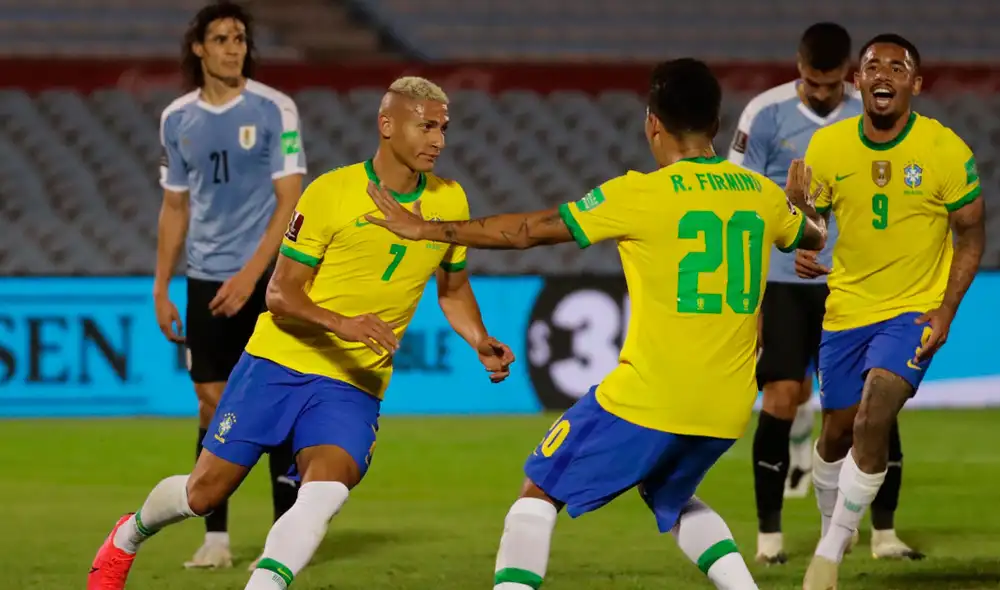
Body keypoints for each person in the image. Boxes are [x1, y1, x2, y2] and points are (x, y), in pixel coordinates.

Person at [365, 58, 828, 590]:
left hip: (651, 396)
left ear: (652, 123)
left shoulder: (639, 194)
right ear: (716, 124)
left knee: (538, 493)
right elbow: (812, 234)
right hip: (726, 406)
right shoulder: (760, 194)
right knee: (670, 494)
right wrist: (804, 206)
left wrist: (425, 228)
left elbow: (528, 230)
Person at [88, 76, 516, 590]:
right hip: (278, 362)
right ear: (386, 125)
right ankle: (127, 535)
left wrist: (479, 338)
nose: (438, 140)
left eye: (444, 128)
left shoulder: (451, 200)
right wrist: (345, 324)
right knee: (203, 494)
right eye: (426, 127)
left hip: (353, 382)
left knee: (325, 491)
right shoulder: (331, 193)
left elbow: (453, 287)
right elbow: (280, 294)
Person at [798, 34, 984, 589]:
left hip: (912, 312)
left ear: (915, 83)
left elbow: (971, 236)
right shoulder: (827, 148)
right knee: (835, 435)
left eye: (897, 67)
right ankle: (833, 528)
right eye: (873, 65)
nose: (883, 73)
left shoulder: (945, 150)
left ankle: (828, 554)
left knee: (873, 416)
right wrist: (803, 233)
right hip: (846, 311)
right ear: (857, 80)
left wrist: (945, 311)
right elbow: (814, 228)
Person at [729, 22, 919, 563]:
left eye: (831, 84)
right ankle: (769, 538)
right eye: (812, 82)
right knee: (781, 396)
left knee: (878, 399)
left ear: (848, 76)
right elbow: (741, 203)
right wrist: (751, 293)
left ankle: (884, 534)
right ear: (799, 67)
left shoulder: (871, 112)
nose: (820, 92)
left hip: (854, 283)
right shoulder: (765, 113)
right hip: (784, 283)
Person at [151, 1, 303, 570]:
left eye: (240, 38)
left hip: (267, 279)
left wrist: (251, 275)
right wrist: (161, 287)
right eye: (221, 38)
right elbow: (174, 206)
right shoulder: (177, 118)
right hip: (205, 279)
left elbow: (290, 199)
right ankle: (215, 538)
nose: (233, 48)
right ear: (199, 48)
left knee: (277, 400)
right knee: (211, 404)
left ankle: (285, 539)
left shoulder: (274, 108)